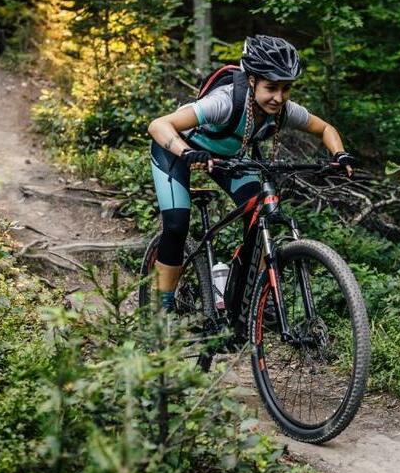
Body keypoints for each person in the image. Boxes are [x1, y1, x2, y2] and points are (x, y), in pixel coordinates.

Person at [147, 35, 356, 311]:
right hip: (175, 150)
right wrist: (186, 153)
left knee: (260, 213)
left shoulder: (283, 110)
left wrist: (339, 154)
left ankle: (249, 295)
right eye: (271, 88)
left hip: (226, 159)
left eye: (286, 89)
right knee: (176, 225)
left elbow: (325, 128)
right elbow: (158, 125)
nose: (278, 98)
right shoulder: (224, 101)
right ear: (252, 80)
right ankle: (160, 307)